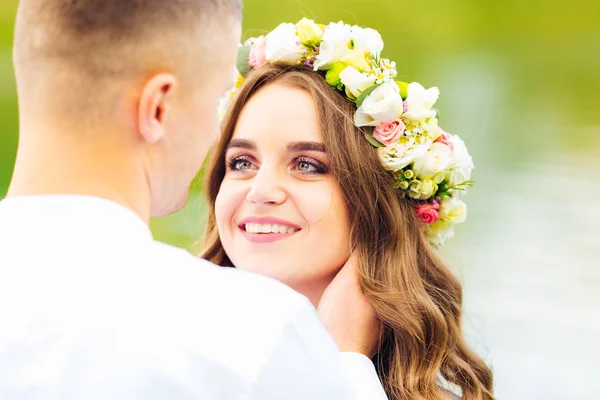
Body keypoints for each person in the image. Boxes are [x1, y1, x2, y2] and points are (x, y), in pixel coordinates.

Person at [0, 2, 388, 399]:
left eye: (307, 164)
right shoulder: (252, 335)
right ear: (157, 107)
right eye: (217, 97)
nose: (210, 141)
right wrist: (347, 365)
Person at [201, 19, 495, 400]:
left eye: (307, 165)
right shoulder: (160, 358)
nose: (261, 192)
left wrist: (344, 359)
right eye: (242, 162)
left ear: (375, 205)